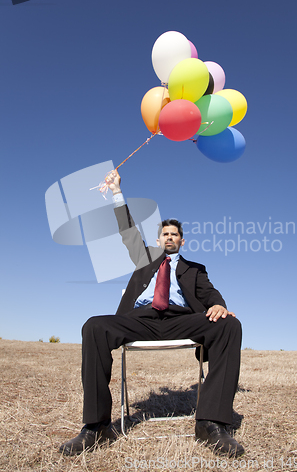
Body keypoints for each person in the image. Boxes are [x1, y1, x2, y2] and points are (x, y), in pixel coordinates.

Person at [59, 170, 244, 457]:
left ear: (182, 241)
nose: (169, 237)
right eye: (165, 234)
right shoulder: (144, 256)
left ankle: (210, 423)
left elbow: (209, 293)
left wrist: (218, 304)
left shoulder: (195, 269)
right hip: (139, 321)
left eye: (175, 234)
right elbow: (127, 230)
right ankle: (96, 427)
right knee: (94, 326)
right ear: (158, 240)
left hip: (181, 321)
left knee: (230, 324)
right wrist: (117, 193)